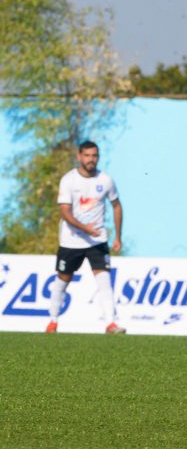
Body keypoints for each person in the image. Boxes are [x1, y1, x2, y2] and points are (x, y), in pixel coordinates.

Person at [46, 141, 126, 335]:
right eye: (87, 155)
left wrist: (118, 236)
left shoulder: (105, 180)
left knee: (104, 280)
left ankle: (110, 324)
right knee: (63, 279)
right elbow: (65, 212)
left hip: (97, 240)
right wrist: (85, 229)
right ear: (79, 156)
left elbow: (116, 205)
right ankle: (53, 321)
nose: (91, 159)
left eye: (94, 156)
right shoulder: (69, 180)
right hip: (71, 241)